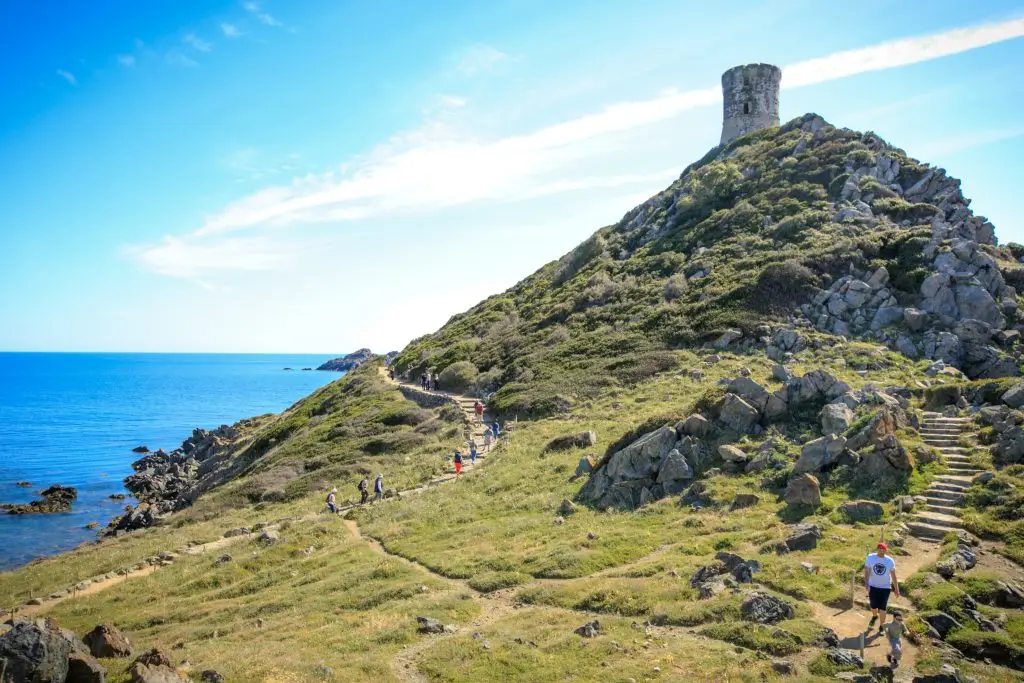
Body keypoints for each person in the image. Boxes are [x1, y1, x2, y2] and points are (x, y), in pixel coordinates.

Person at [864, 542, 900, 635]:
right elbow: (867, 570)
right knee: (873, 606)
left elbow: (894, 575)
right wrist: (866, 583)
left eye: (883, 549)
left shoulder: (889, 561)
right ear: (877, 549)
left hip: (885, 587)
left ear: (886, 550)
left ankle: (881, 626)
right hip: (873, 586)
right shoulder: (870, 557)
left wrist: (896, 588)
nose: (881, 551)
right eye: (879, 549)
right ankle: (874, 616)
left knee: (883, 608)